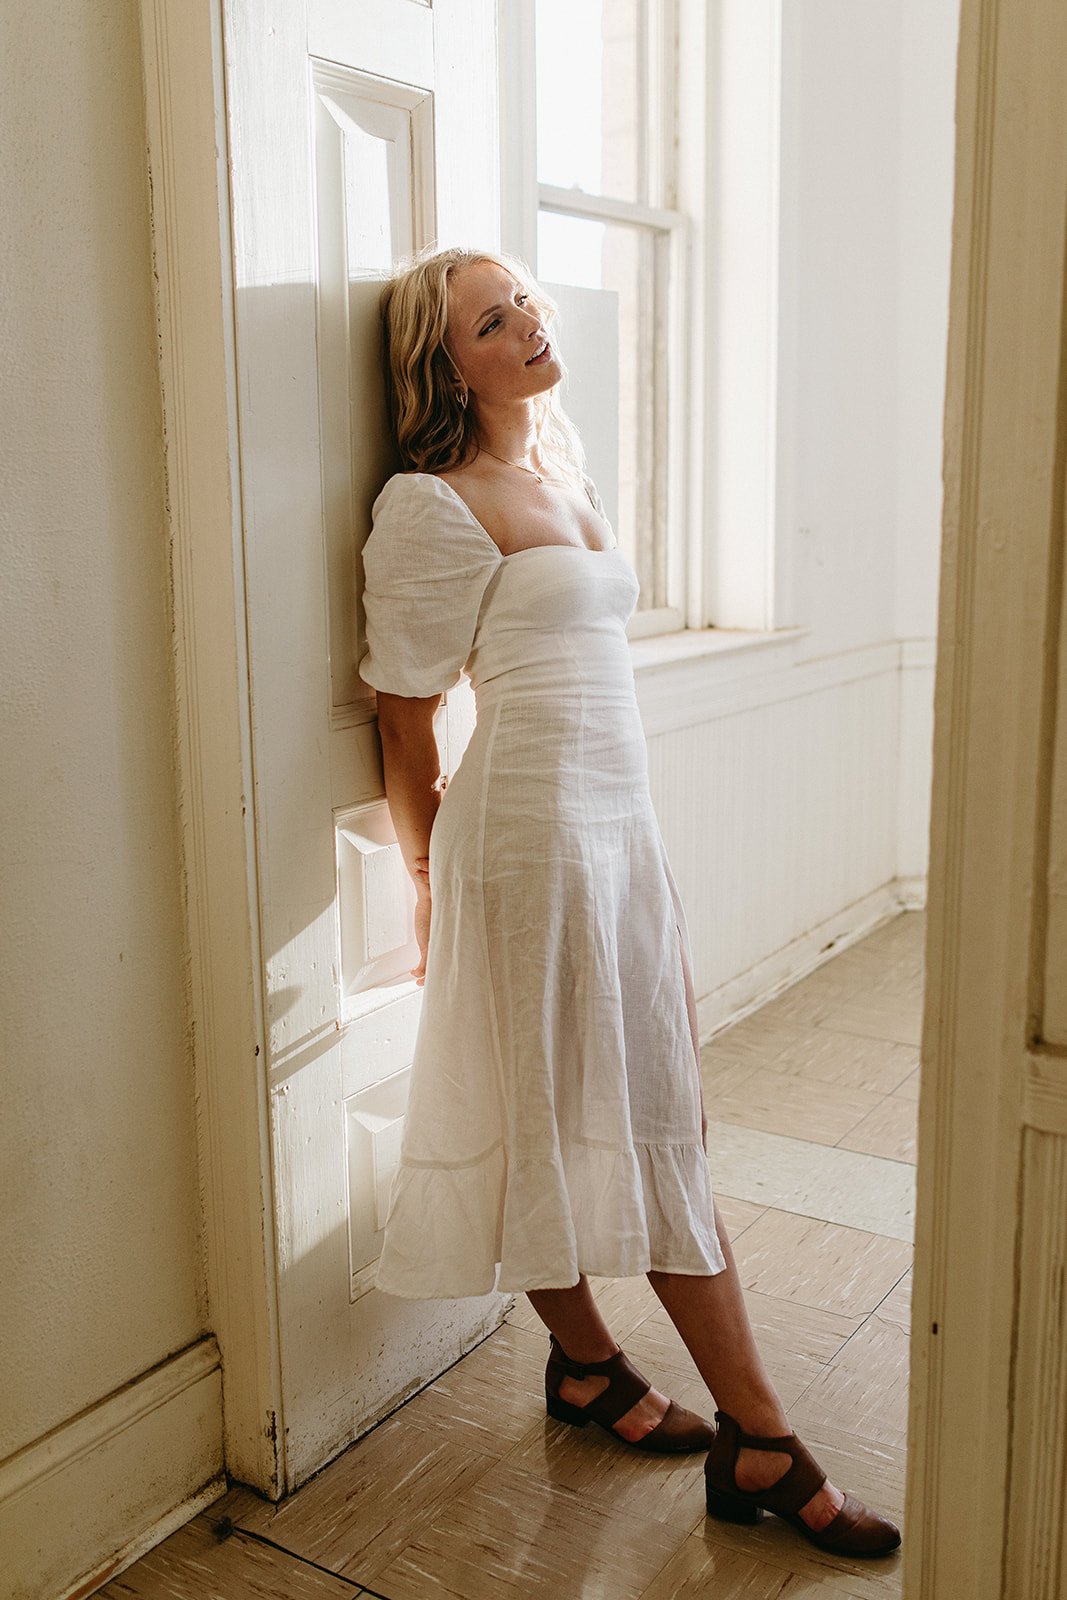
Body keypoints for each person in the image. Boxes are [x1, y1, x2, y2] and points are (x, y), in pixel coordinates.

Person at [357, 243, 900, 1559]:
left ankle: (587, 1371)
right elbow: (403, 715)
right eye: (495, 320)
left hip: (616, 838)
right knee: (591, 1118)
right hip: (527, 845)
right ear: (449, 364)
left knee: (637, 1107)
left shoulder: (561, 464)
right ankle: (761, 1440)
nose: (531, 324)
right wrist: (429, 880)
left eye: (526, 297)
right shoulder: (431, 505)